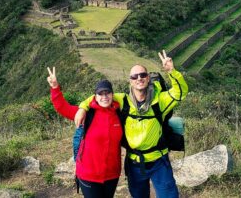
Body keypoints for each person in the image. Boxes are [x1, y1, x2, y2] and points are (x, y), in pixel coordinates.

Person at [76, 50, 188, 198]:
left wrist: (172, 71)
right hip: (135, 162)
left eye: (142, 75)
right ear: (130, 80)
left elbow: (180, 93)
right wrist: (82, 107)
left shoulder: (159, 100)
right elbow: (100, 96)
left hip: (158, 161)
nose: (139, 78)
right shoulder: (123, 100)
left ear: (148, 78)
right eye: (134, 76)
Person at [46, 67, 123, 198]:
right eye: (100, 93)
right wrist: (55, 87)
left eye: (107, 93)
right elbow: (62, 107)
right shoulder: (87, 113)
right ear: (95, 96)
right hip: (89, 175)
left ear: (112, 94)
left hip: (112, 174)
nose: (104, 96)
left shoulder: (120, 113)